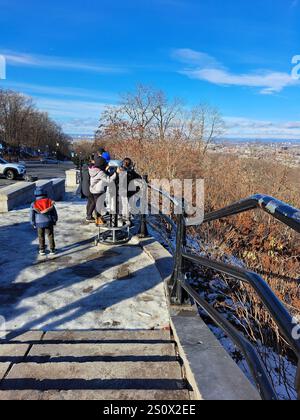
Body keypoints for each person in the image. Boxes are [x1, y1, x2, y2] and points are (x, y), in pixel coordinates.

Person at [89, 156, 117, 225]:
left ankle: (99, 219)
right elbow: (109, 180)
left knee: (98, 205)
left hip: (93, 190)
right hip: (98, 191)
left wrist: (105, 170)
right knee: (99, 206)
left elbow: (101, 175)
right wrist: (116, 173)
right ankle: (98, 221)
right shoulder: (100, 172)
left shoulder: (93, 169)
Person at [30, 187, 58, 256]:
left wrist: (33, 223)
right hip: (49, 222)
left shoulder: (34, 204)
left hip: (39, 223)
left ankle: (42, 249)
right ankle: (52, 249)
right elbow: (54, 213)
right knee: (50, 235)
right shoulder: (49, 202)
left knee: (41, 236)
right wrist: (54, 220)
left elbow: (32, 215)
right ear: (45, 194)